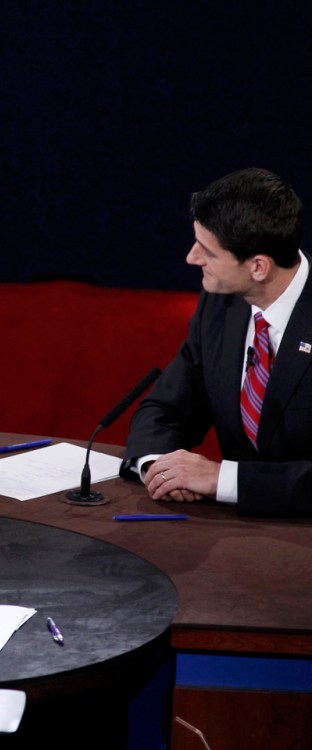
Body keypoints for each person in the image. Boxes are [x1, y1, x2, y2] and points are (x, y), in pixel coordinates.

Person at [121, 167, 312, 516]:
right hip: (235, 532)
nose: (192, 257)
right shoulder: (221, 303)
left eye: (207, 251)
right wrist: (158, 467)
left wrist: (222, 480)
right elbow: (166, 409)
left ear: (258, 267)